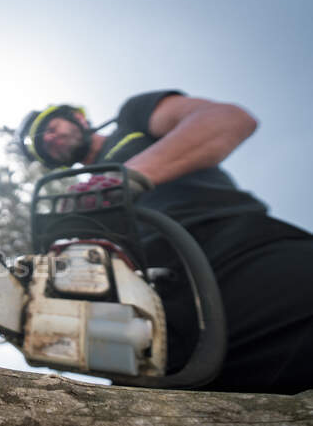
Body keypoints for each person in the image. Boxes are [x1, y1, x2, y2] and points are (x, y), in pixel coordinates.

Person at [17, 90, 313, 394]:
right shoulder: (79, 196)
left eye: (51, 129)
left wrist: (128, 176)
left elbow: (230, 120)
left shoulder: (131, 120)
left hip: (238, 248)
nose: (50, 140)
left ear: (77, 117)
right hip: (151, 315)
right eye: (44, 147)